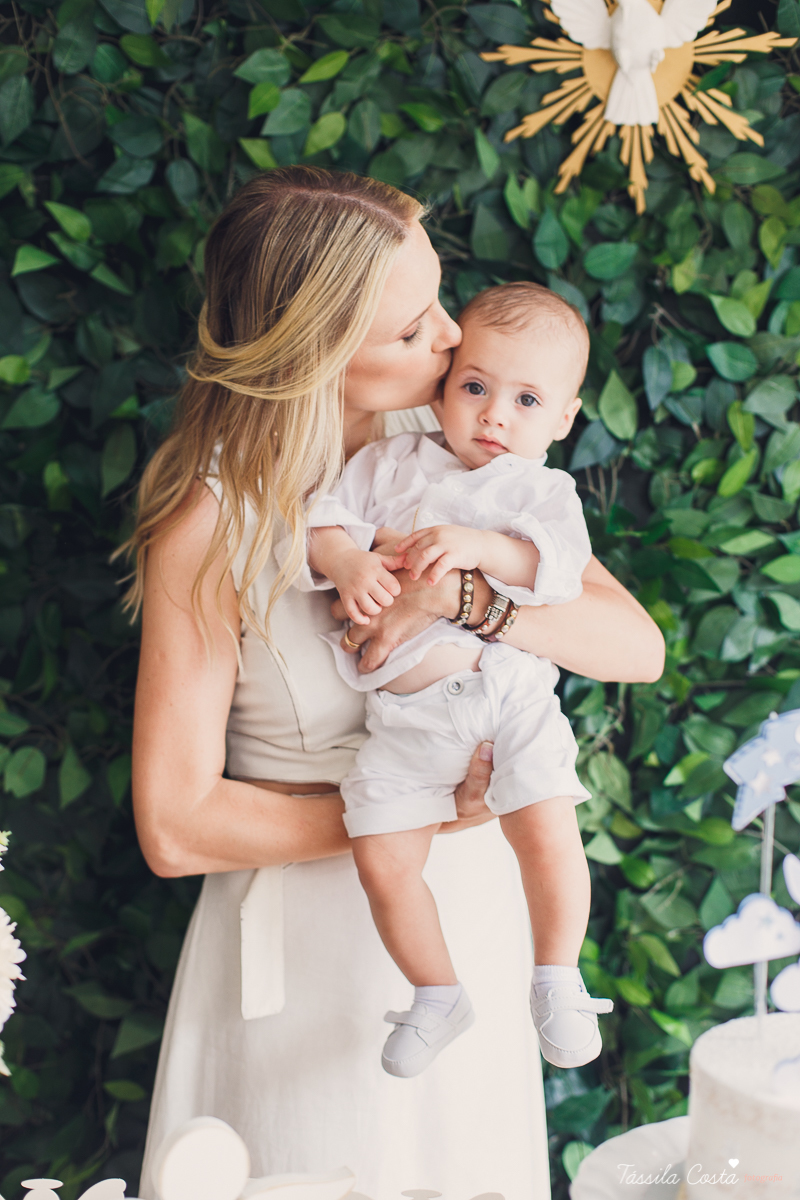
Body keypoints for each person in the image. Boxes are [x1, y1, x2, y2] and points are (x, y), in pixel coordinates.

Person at [127, 167, 665, 1200]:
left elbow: (630, 644)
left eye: (438, 302)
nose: (454, 340)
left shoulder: (460, 449)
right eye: (413, 329)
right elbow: (175, 826)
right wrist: (429, 808)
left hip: (473, 916)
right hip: (307, 954)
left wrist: (470, 603)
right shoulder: (210, 526)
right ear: (315, 350)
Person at [304, 281, 614, 1079]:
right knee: (381, 856)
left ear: (563, 420)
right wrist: (344, 557)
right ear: (445, 386)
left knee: (544, 827)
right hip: (405, 721)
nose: (494, 416)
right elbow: (323, 521)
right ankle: (437, 993)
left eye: (526, 400)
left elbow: (556, 570)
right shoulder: (385, 461)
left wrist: (482, 550)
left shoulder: (540, 490)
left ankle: (558, 977)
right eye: (475, 386)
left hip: (503, 695)